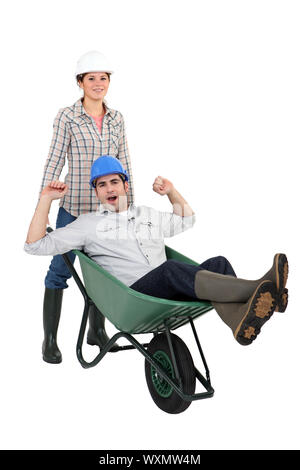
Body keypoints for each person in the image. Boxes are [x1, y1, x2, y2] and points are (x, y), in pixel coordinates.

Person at [25, 156, 289, 352]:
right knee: (169, 270)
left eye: (114, 182)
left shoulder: (146, 214)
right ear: (96, 192)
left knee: (219, 263)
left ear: (125, 185)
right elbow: (34, 245)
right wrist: (46, 200)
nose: (109, 189)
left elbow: (187, 219)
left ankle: (237, 320)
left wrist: (171, 192)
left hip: (168, 289)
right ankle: (258, 289)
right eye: (102, 185)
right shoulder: (87, 224)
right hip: (134, 297)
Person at [38, 51, 134, 363]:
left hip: (106, 213)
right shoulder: (67, 116)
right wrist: (44, 199)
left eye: (103, 78)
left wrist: (127, 203)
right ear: (80, 82)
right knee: (58, 273)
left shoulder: (117, 118)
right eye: (91, 78)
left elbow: (124, 162)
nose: (97, 83)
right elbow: (55, 157)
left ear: (109, 82)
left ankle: (96, 332)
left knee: (104, 274)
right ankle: (49, 340)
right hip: (74, 209)